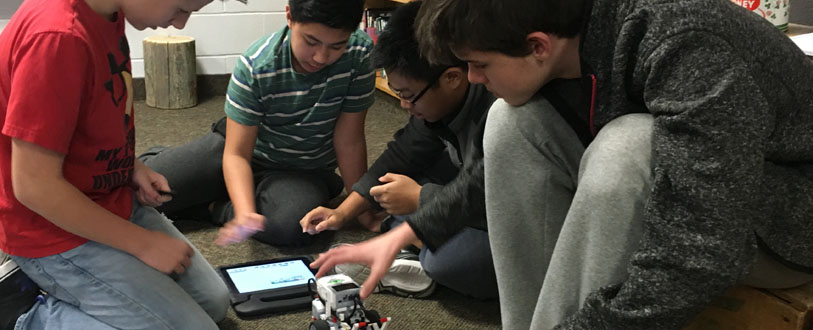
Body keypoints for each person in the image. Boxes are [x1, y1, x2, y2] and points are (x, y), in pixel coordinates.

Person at [411, 0, 813, 329]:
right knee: (509, 121)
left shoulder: (686, 42)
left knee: (629, 144)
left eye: (479, 64)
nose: (472, 78)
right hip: (706, 198)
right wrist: (420, 226)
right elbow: (498, 171)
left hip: (789, 220)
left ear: (537, 47)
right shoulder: (564, 32)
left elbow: (704, 250)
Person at [0, 0, 231, 329]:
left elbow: (88, 118)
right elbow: (34, 186)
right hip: (51, 229)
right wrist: (142, 243)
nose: (180, 24)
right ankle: (19, 316)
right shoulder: (58, 38)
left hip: (109, 200)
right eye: (181, 7)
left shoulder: (110, 11)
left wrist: (131, 166)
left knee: (214, 303)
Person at [299, 1, 497, 300]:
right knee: (393, 184)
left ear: (453, 79)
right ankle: (407, 241)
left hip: (507, 219)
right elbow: (403, 154)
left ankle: (410, 247)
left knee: (446, 261)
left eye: (409, 96)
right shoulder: (435, 106)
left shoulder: (500, 114)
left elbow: (499, 201)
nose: (404, 106)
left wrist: (421, 199)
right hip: (468, 192)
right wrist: (343, 212)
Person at [139, 0, 376, 247]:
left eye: (337, 45)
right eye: (311, 41)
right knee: (142, 193)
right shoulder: (256, 64)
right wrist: (243, 210)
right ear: (289, 17)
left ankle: (214, 206)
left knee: (294, 227)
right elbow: (237, 154)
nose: (321, 57)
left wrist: (361, 209)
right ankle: (166, 160)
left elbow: (350, 141)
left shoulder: (359, 54)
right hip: (238, 148)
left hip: (301, 171)